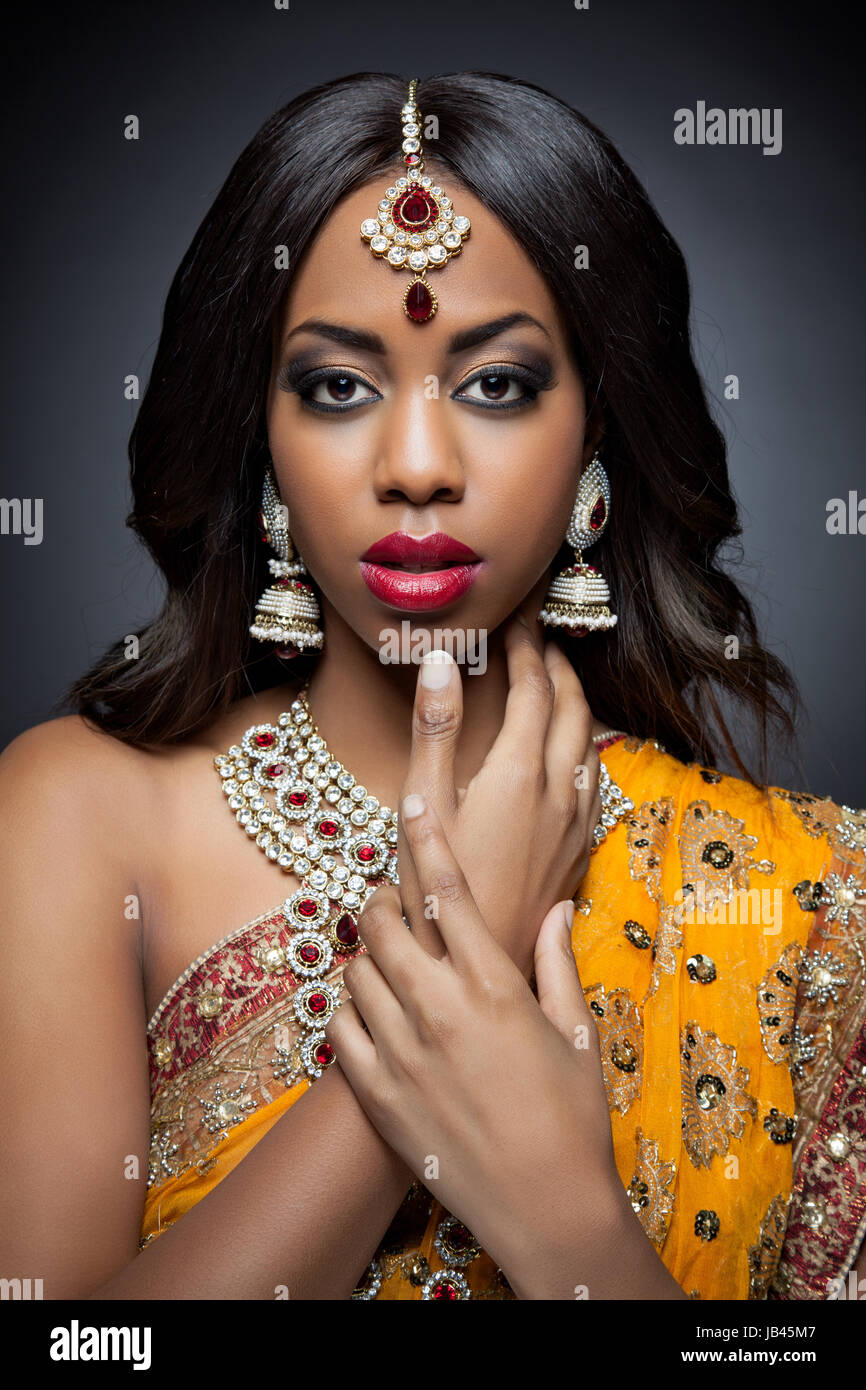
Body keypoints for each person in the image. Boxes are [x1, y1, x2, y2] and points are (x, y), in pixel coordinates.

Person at [0, 71, 863, 1302]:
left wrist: (560, 1215)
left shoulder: (807, 904)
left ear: (594, 441)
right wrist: (443, 989)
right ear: (259, 442)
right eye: (337, 386)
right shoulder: (79, 816)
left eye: (497, 384)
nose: (416, 467)